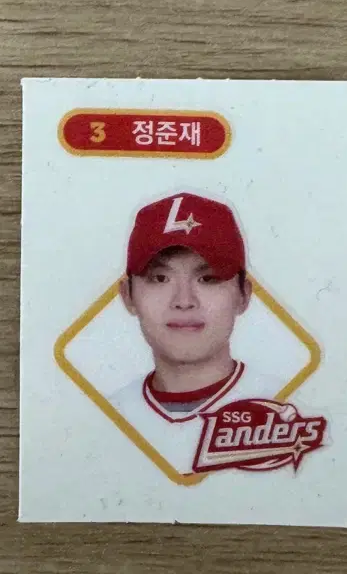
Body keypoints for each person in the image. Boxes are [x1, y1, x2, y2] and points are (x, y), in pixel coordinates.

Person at [108, 192, 283, 477]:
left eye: (208, 278)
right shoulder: (106, 415)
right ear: (128, 296)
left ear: (243, 295)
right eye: (160, 278)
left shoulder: (285, 405)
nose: (184, 300)